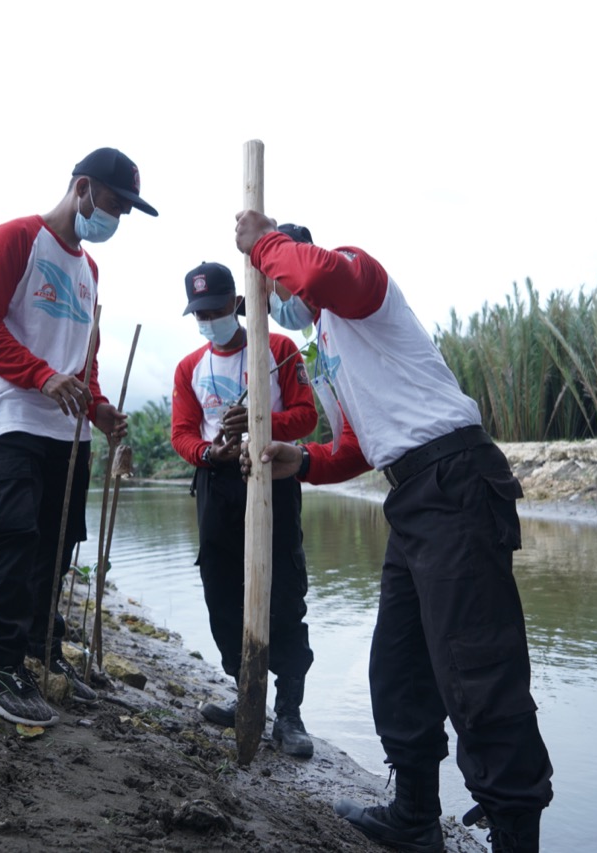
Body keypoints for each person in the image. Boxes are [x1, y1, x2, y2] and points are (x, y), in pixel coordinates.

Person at [235, 214, 553, 853]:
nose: (274, 305)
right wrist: (305, 462)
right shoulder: (324, 345)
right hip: (411, 495)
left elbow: (314, 270)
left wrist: (262, 241)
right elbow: (357, 443)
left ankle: (515, 834)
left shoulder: (357, 280)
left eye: (272, 289)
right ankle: (414, 814)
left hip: (457, 480)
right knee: (400, 667)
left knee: (477, 668)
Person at [0, 147, 155, 728]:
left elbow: (84, 364)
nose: (115, 219)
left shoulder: (89, 271)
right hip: (14, 413)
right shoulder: (17, 237)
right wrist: (41, 376)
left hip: (67, 431)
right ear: (84, 188)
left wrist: (100, 411)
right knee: (14, 533)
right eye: (115, 204)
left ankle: (40, 653)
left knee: (58, 541)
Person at [169, 258, 319, 757]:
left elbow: (305, 415)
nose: (208, 319)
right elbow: (183, 434)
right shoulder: (189, 368)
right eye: (199, 313)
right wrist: (212, 452)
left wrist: (262, 421)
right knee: (221, 587)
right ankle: (245, 692)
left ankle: (290, 712)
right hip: (218, 486)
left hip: (272, 480)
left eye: (215, 309)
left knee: (284, 588)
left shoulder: (277, 351)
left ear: (238, 304)